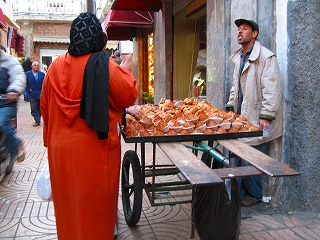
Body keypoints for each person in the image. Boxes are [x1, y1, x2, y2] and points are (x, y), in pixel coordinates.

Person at [40, 12, 138, 240]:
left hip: (61, 153)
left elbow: (45, 110)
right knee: (96, 213)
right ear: (98, 40)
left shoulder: (53, 68)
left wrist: (49, 142)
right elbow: (128, 95)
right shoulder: (104, 65)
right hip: (96, 153)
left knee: (68, 210)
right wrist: (127, 67)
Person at [226, 19, 283, 207]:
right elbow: (235, 86)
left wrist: (266, 116)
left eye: (245, 29)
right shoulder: (239, 58)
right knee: (237, 155)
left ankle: (254, 195)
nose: (239, 32)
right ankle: (239, 193)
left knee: (253, 157)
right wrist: (230, 108)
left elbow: (272, 89)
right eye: (238, 29)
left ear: (255, 33)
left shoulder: (266, 57)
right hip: (241, 116)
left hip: (256, 116)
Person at [0, 43, 26, 168]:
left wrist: (14, 90)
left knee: (1, 124)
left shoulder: (9, 61)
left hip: (5, 103)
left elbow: (19, 77)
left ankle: (16, 146)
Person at [25, 61, 45, 126]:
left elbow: (45, 83)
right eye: (35, 65)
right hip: (32, 94)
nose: (36, 67)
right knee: (33, 108)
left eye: (38, 66)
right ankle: (37, 120)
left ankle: (38, 119)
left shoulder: (42, 74)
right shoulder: (27, 74)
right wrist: (29, 90)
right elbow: (25, 84)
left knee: (39, 108)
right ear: (32, 66)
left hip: (40, 93)